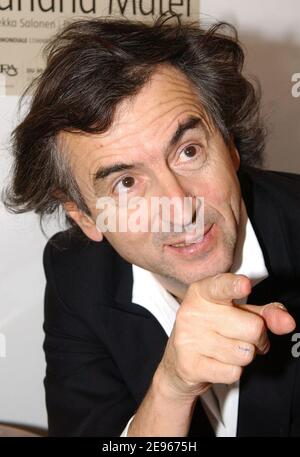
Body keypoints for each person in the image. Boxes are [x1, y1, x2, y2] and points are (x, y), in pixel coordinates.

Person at [3, 15, 300, 437]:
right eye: (126, 183)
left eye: (189, 151)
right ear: (86, 217)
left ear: (230, 148)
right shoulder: (78, 275)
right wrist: (172, 388)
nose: (180, 208)